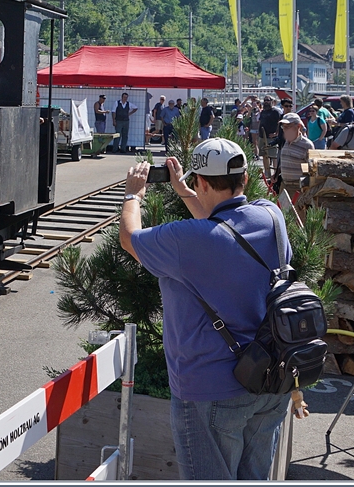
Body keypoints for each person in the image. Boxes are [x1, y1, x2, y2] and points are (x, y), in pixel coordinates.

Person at [118, 139, 292, 480]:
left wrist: (132, 196)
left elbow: (129, 238)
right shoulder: (270, 216)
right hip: (269, 378)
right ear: (244, 178)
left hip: (211, 388)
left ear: (203, 182)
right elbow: (224, 227)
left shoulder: (187, 239)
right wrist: (185, 191)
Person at [276, 112, 313, 197]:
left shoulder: (307, 145)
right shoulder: (286, 142)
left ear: (298, 126)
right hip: (284, 186)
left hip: (298, 188)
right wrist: (277, 174)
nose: (285, 129)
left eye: (288, 126)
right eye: (283, 127)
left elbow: (311, 170)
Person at [257, 97, 283, 178]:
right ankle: (267, 173)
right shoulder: (263, 112)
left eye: (268, 100)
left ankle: (275, 173)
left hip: (271, 137)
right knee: (264, 155)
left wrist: (276, 133)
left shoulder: (275, 112)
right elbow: (260, 122)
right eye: (265, 100)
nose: (266, 102)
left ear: (272, 101)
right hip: (262, 136)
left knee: (273, 155)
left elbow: (280, 123)